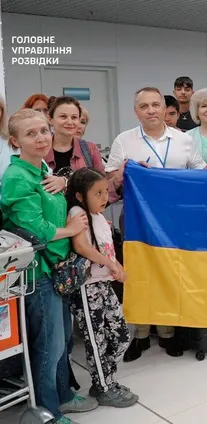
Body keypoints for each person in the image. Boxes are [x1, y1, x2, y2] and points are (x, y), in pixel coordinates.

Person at [2, 108, 98, 424]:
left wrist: (62, 179)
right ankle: (49, 412)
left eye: (44, 130)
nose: (41, 138)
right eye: (31, 134)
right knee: (49, 345)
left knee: (63, 340)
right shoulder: (17, 177)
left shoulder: (41, 167)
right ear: (15, 141)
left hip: (56, 267)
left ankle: (64, 396)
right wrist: (71, 230)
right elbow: (36, 230)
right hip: (37, 272)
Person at [105, 87, 207, 361]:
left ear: (164, 108)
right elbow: (110, 178)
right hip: (137, 217)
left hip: (175, 218)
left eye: (155, 105)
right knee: (138, 272)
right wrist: (123, 172)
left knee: (171, 271)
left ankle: (167, 333)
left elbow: (200, 172)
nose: (150, 110)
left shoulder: (183, 139)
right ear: (136, 111)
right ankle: (139, 334)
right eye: (144, 106)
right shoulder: (124, 140)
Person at [66, 168, 138, 407]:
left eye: (106, 191)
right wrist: (110, 264)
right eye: (97, 193)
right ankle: (105, 387)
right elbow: (81, 246)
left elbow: (107, 249)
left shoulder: (98, 216)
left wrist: (117, 266)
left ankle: (103, 380)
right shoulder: (78, 213)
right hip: (86, 288)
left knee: (121, 335)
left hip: (103, 284)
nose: (104, 197)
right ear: (80, 196)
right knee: (96, 340)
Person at [43, 97, 119, 203]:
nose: (69, 122)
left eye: (74, 117)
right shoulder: (39, 149)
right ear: (50, 119)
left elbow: (101, 187)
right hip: (47, 211)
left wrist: (119, 178)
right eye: (63, 116)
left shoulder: (89, 150)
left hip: (82, 211)